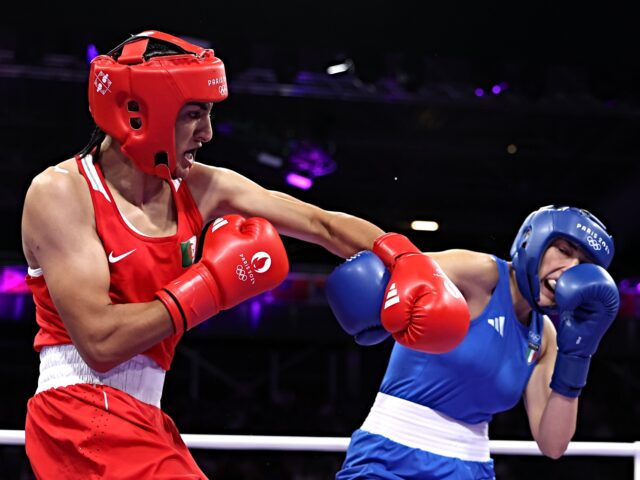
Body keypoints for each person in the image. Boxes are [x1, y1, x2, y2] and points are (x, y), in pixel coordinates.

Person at [20, 30, 469, 479]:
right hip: (80, 414)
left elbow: (321, 224)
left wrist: (403, 257)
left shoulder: (200, 187)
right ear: (139, 114)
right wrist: (210, 286)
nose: (207, 133)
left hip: (144, 416)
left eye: (209, 114)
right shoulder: (62, 193)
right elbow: (100, 344)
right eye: (194, 114)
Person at [326, 205, 620, 479]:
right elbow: (391, 258)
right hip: (389, 454)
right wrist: (313, 222)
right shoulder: (480, 274)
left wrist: (578, 353)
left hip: (470, 466)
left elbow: (553, 444)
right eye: (564, 250)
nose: (571, 268)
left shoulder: (545, 336)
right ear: (533, 242)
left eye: (583, 264)